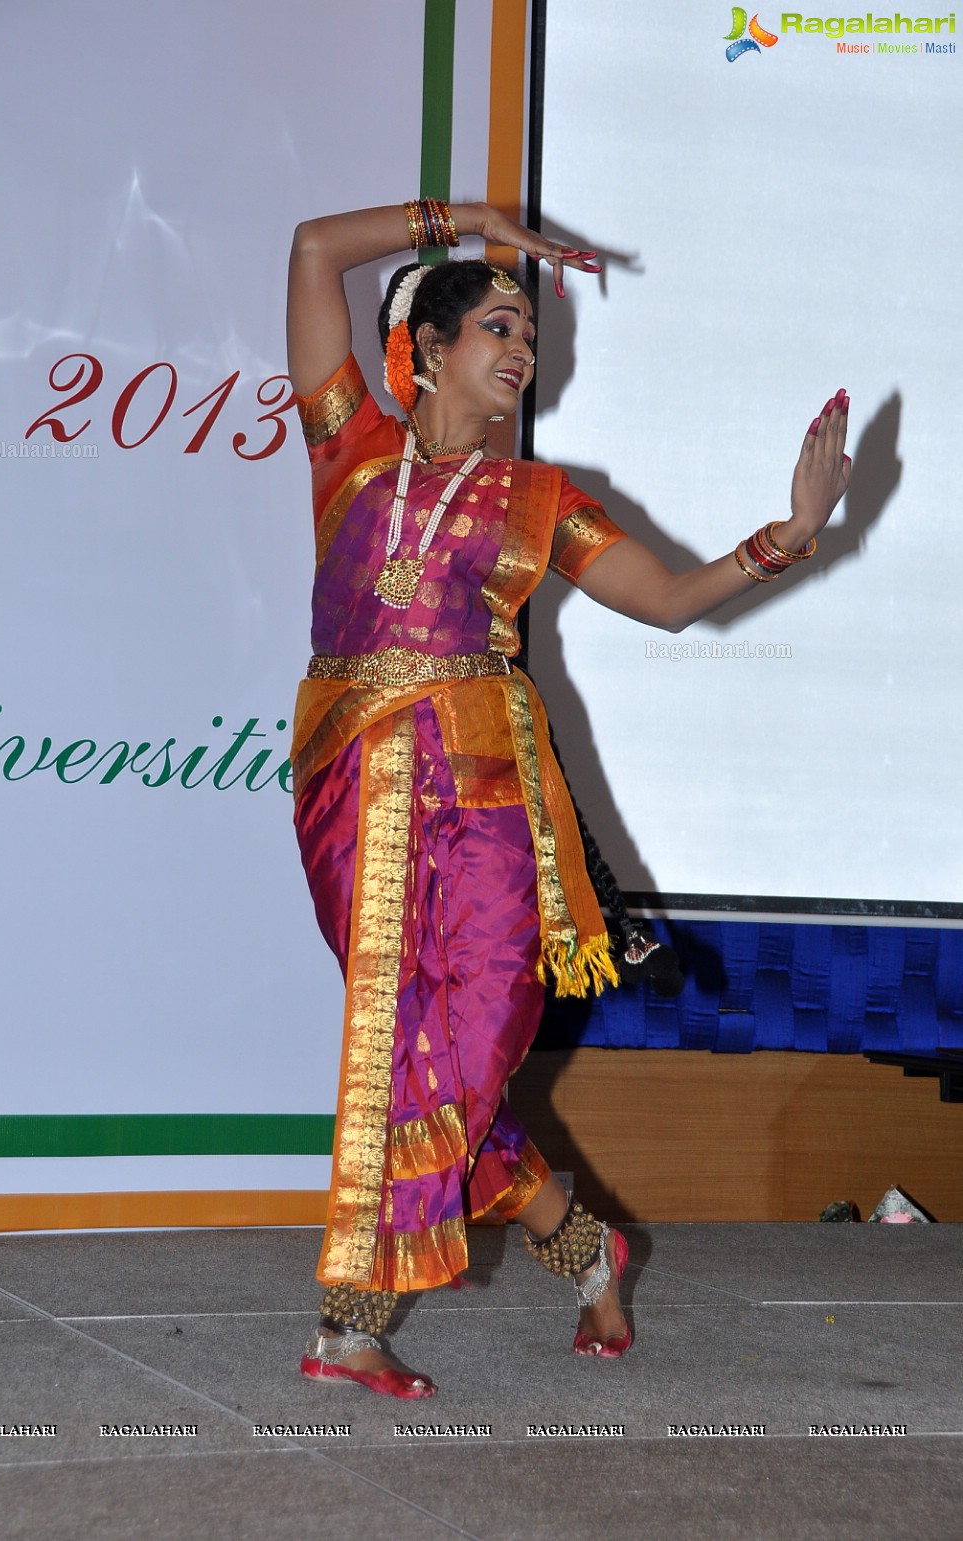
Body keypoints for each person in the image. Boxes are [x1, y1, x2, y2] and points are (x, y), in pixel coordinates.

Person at [286, 199, 850, 1399]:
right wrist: (469, 218)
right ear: (427, 347)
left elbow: (672, 598)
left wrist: (789, 536)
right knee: (420, 1056)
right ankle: (590, 1250)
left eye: (531, 339)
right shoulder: (347, 443)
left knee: (469, 1036)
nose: (524, 351)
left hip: (489, 798)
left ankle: (352, 1318)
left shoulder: (545, 499)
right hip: (354, 782)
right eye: (500, 325)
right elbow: (312, 249)